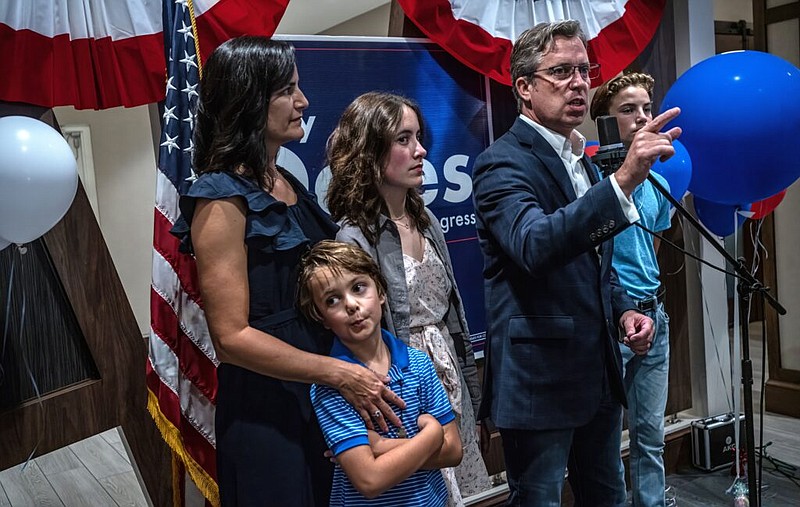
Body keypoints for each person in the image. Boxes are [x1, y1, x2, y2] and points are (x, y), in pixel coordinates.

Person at [170, 37, 403, 507]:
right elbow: (231, 337)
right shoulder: (220, 197)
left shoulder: (287, 180)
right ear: (250, 100)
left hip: (324, 398)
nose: (303, 102)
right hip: (269, 409)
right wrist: (337, 373)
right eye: (288, 91)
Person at [471, 20, 682, 506]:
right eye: (562, 71)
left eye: (585, 70)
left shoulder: (580, 160)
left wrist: (624, 309)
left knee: (608, 496)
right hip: (539, 379)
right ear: (524, 87)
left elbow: (592, 266)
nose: (580, 82)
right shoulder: (501, 162)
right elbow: (534, 245)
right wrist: (625, 178)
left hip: (598, 373)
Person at [326, 91, 491, 502]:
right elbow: (359, 332)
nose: (420, 150)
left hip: (446, 373)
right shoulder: (354, 235)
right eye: (403, 139)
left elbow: (454, 319)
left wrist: (472, 397)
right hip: (400, 384)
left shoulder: (426, 217)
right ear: (370, 149)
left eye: (418, 137)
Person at [297, 240, 463, 505]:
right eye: (332, 300)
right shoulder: (330, 387)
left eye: (358, 287)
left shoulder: (418, 364)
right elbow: (370, 480)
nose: (351, 305)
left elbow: (454, 450)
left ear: (381, 291)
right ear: (321, 317)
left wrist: (381, 447)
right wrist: (432, 436)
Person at [591, 72, 673, 507]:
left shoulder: (658, 183)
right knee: (605, 442)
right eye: (628, 111)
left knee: (651, 437)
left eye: (646, 108)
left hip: (653, 314)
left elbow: (653, 246)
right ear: (605, 122)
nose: (641, 118)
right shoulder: (590, 181)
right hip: (609, 322)